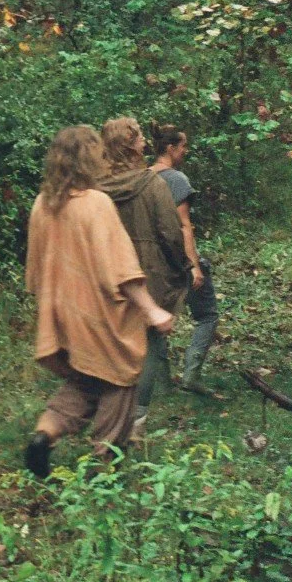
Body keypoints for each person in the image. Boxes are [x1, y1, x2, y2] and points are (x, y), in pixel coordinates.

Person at [24, 125, 174, 477]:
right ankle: (103, 465)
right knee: (119, 380)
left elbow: (33, 273)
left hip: (62, 316)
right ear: (89, 158)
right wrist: (152, 310)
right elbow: (120, 269)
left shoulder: (42, 204)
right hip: (99, 314)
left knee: (83, 381)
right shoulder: (96, 203)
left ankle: (44, 435)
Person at [99, 116, 190, 437]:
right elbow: (171, 232)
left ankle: (108, 417)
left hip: (105, 277)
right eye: (138, 139)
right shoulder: (152, 185)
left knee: (111, 345)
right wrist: (183, 268)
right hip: (147, 276)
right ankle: (134, 422)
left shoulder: (94, 190)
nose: (144, 144)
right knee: (149, 344)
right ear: (130, 145)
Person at [152, 124, 219, 396]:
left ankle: (160, 384)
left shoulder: (142, 177)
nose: (186, 151)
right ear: (170, 148)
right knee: (207, 315)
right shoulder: (176, 179)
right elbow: (183, 225)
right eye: (183, 146)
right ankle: (190, 376)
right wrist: (194, 266)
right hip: (179, 260)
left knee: (157, 321)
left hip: (153, 263)